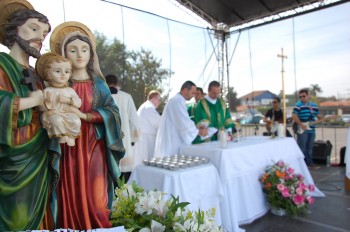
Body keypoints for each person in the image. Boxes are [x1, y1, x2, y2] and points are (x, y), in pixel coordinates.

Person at [49, 21, 125, 229]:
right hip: (68, 148)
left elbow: (112, 113)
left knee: (97, 200)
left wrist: (85, 116)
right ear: (64, 54)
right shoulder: (61, 84)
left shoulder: (98, 84)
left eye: (84, 50)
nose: (79, 55)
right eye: (72, 50)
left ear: (92, 54)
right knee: (69, 193)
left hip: (94, 147)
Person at [0, 1, 60, 230]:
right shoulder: (2, 64)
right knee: (16, 219)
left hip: (40, 155)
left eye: (44, 33)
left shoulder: (38, 73)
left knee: (39, 215)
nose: (40, 37)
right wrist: (31, 101)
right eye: (34, 28)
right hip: (12, 161)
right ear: (15, 29)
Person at [36, 52, 82, 146]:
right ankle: (61, 135)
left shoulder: (70, 91)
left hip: (67, 113)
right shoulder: (47, 91)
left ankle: (71, 136)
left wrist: (69, 100)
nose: (63, 74)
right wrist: (47, 102)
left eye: (66, 71)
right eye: (58, 71)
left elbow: (78, 102)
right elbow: (41, 108)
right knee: (56, 120)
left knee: (76, 120)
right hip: (53, 113)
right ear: (48, 74)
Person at [154, 81, 208, 157]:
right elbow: (184, 124)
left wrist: (195, 128)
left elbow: (183, 121)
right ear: (185, 90)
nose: (193, 96)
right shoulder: (178, 100)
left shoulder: (177, 100)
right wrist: (197, 131)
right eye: (192, 93)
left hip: (170, 139)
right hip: (171, 142)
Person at [106, 74, 140, 182]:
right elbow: (134, 120)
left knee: (108, 174)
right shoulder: (127, 97)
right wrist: (133, 140)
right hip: (124, 141)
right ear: (117, 84)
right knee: (123, 178)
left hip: (106, 140)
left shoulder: (101, 96)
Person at [292, 89, 324, 169]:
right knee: (302, 147)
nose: (302, 98)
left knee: (310, 147)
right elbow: (294, 115)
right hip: (302, 129)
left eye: (304, 96)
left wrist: (324, 119)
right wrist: (301, 124)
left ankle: (309, 162)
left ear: (308, 95)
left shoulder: (313, 105)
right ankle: (300, 164)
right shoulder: (298, 105)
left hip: (312, 129)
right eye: (300, 96)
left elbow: (318, 115)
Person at [134, 90, 162, 165]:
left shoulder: (145, 106)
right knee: (145, 164)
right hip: (146, 140)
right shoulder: (149, 108)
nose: (159, 102)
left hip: (143, 139)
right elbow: (159, 123)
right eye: (159, 99)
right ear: (154, 98)